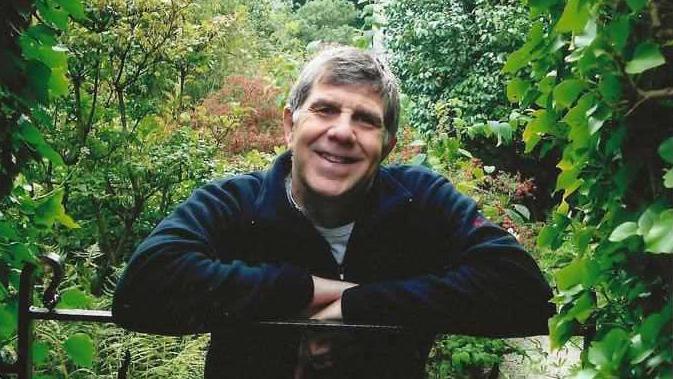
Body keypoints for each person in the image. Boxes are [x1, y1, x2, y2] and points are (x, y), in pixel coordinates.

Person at [112, 46, 555, 378]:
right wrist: (308, 290)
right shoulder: (235, 202)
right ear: (290, 125)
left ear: (387, 146)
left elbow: (525, 292)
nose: (342, 132)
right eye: (324, 109)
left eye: (365, 120)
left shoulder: (419, 200)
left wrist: (356, 305)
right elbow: (143, 288)